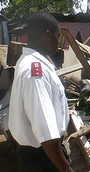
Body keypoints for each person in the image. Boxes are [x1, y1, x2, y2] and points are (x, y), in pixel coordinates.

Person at [9, 12, 73, 172]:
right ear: (47, 35)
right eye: (58, 36)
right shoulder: (35, 71)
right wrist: (66, 168)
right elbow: (45, 130)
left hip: (40, 153)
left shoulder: (31, 62)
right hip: (42, 156)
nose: (59, 43)